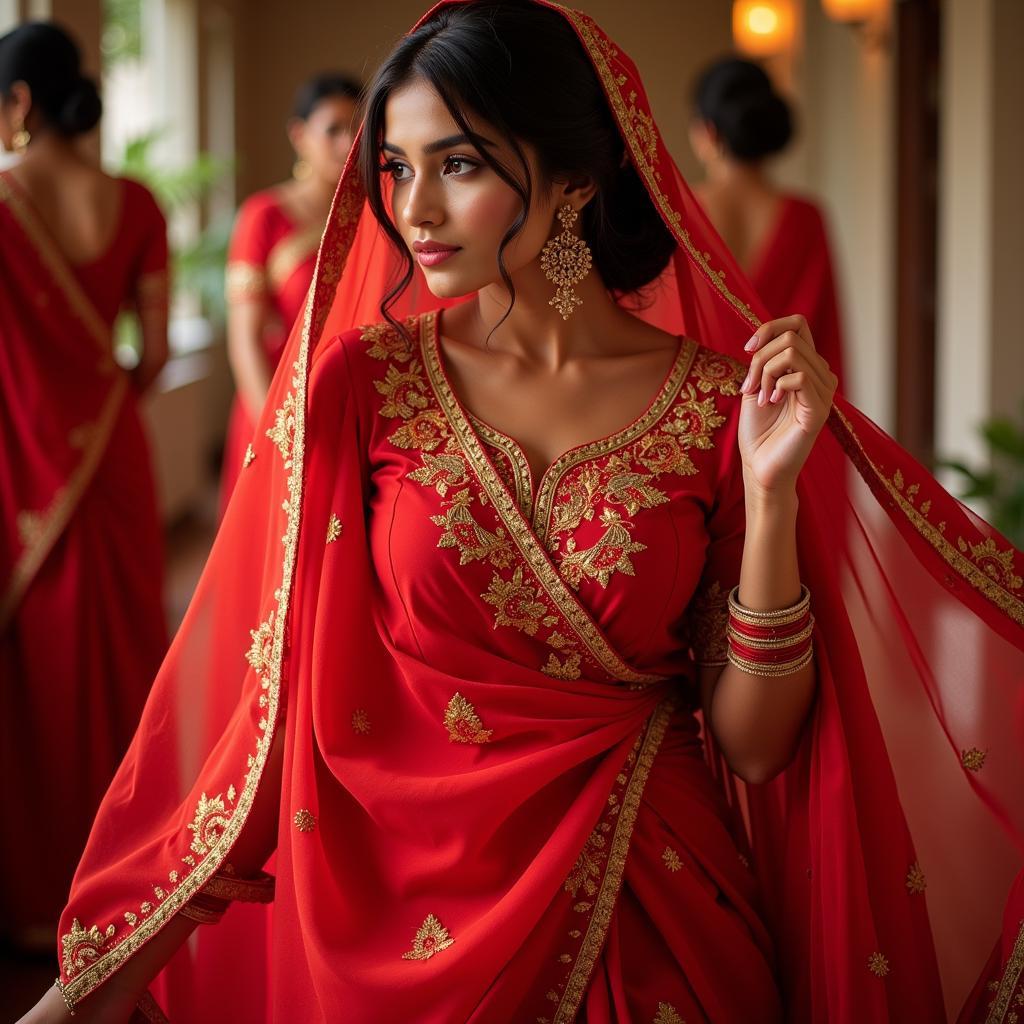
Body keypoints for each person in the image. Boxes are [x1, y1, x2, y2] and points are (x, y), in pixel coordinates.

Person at [22, 2, 1024, 1022]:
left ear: (578, 177)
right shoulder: (362, 385)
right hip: (396, 913)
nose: (413, 209)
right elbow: (264, 705)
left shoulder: (721, 404)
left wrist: (768, 499)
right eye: (395, 167)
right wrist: (91, 988)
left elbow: (755, 746)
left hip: (651, 903)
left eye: (457, 165)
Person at [0, 23, 168, 952]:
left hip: (21, 471)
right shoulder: (135, 200)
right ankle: (131, 879)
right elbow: (147, 352)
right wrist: (97, 407)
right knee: (131, 659)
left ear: (20, 103)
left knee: (37, 682)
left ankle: (35, 902)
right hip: (114, 459)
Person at [219, 73, 360, 515]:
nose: (348, 142)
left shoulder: (380, 215)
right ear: (299, 136)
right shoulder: (265, 216)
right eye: (333, 129)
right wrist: (277, 430)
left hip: (357, 405)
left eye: (357, 128)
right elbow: (245, 339)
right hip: (279, 403)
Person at [690, 58, 846, 388]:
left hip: (695, 404)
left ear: (708, 131)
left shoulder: (677, 212)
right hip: (782, 405)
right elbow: (826, 339)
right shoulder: (807, 217)